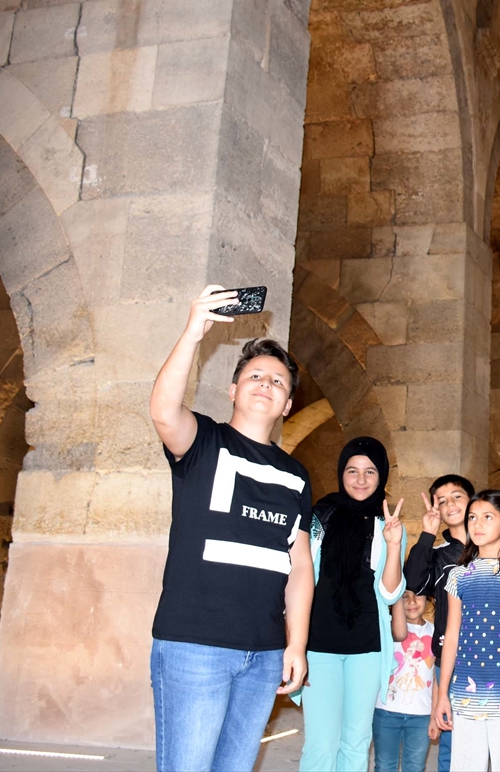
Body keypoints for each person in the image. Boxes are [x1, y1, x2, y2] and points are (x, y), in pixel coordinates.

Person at [148, 285, 314, 772]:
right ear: (234, 390)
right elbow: (163, 412)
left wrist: (296, 645)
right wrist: (194, 330)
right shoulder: (204, 443)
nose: (266, 383)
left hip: (263, 654)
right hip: (195, 645)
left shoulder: (296, 475)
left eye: (278, 382)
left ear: (286, 405)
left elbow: (299, 566)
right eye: (255, 375)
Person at [296, 437, 406, 772]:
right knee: (320, 744)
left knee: (356, 743)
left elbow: (389, 594)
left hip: (368, 648)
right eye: (352, 470)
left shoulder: (388, 525)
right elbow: (299, 576)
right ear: (341, 473)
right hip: (319, 646)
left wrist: (394, 543)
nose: (360, 479)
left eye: (370, 471)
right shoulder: (318, 518)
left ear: (381, 475)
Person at [432, 490, 500, 772]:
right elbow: (452, 636)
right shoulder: (458, 574)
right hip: (465, 693)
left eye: (487, 517)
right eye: (472, 518)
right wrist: (442, 694)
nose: (477, 525)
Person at [404, 474, 475, 771]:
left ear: (473, 499)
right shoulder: (435, 551)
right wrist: (427, 534)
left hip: (488, 655)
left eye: (457, 496)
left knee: (485, 734)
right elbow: (414, 583)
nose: (450, 504)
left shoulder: (495, 544)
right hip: (449, 655)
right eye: (442, 501)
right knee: (451, 736)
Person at [372, 590, 435, 771]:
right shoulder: (386, 629)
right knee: (384, 765)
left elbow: (437, 677)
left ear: (428, 598)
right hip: (385, 712)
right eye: (404, 596)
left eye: (418, 595)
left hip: (421, 715)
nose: (412, 601)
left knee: (415, 766)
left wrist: (434, 714)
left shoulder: (435, 632)